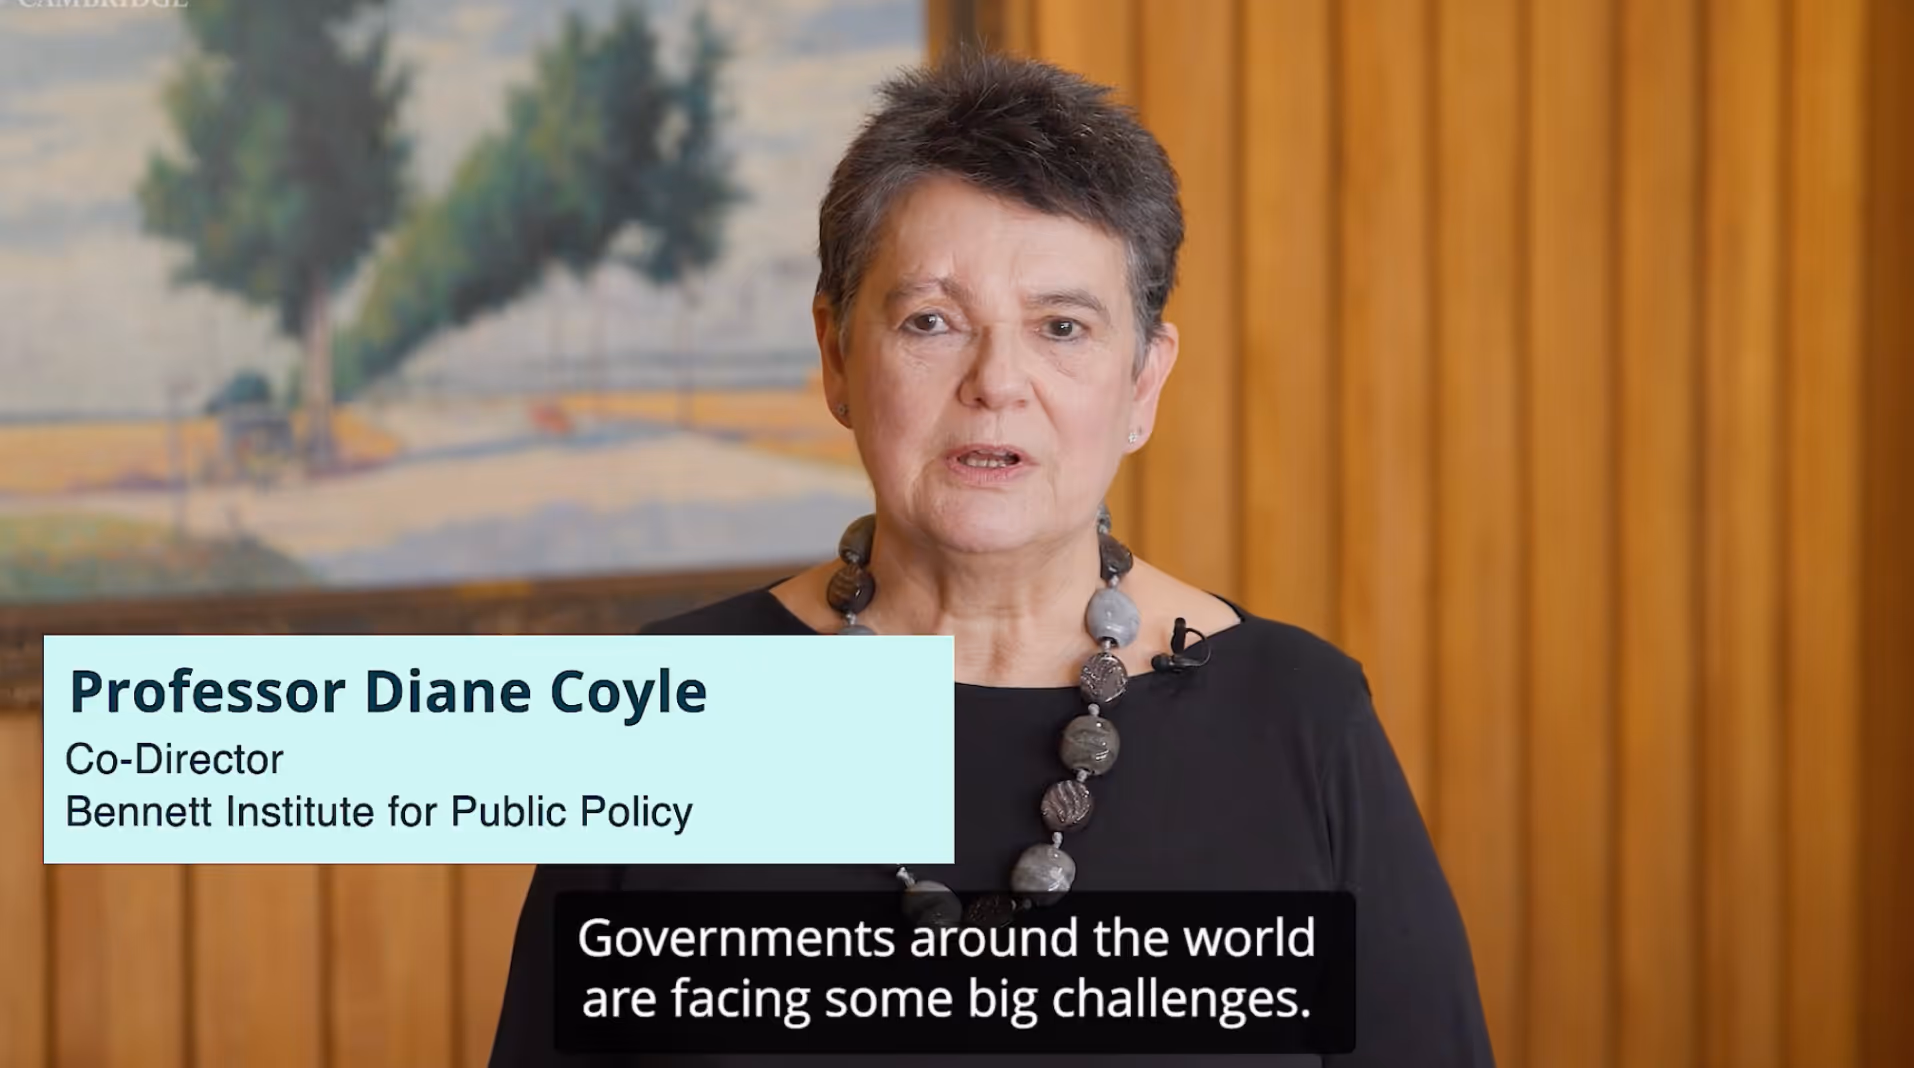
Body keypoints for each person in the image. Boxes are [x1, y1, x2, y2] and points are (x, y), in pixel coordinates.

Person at [489, 50, 1494, 1067]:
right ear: (838, 356)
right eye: (931, 322)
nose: (997, 382)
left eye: (1063, 327)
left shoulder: (1301, 719)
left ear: (1145, 380)